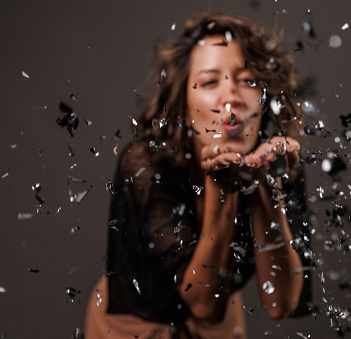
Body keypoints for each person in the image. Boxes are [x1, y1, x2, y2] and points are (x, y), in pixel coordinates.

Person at [86, 12, 309, 338]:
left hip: (219, 325)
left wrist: (266, 185)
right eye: (208, 82)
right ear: (184, 109)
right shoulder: (146, 164)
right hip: (130, 327)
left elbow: (280, 304)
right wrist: (222, 189)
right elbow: (203, 304)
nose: (231, 96)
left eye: (248, 80)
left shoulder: (279, 159)